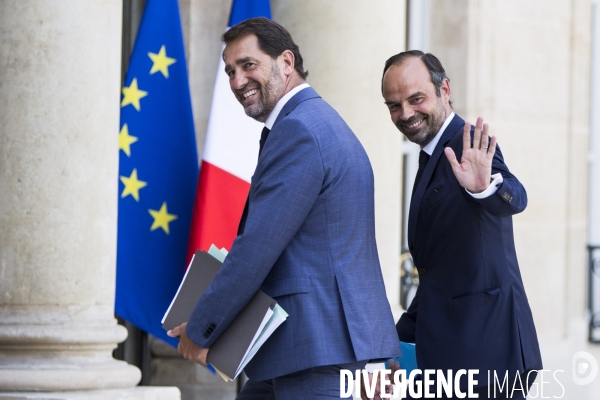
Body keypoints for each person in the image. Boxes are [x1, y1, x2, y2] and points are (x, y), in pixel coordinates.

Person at [167, 17, 400, 399]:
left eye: (248, 65)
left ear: (287, 62)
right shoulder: (315, 122)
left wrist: (201, 328)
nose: (237, 81)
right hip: (306, 350)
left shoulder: (300, 130)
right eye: (230, 71)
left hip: (320, 353)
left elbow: (258, 247)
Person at [376, 50, 543, 399]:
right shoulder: (431, 153)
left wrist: (484, 188)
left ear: (445, 89)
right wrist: (392, 344)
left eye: (416, 99)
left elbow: (516, 195)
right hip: (452, 357)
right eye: (394, 105)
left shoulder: (467, 142)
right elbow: (439, 273)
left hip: (488, 357)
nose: (405, 114)